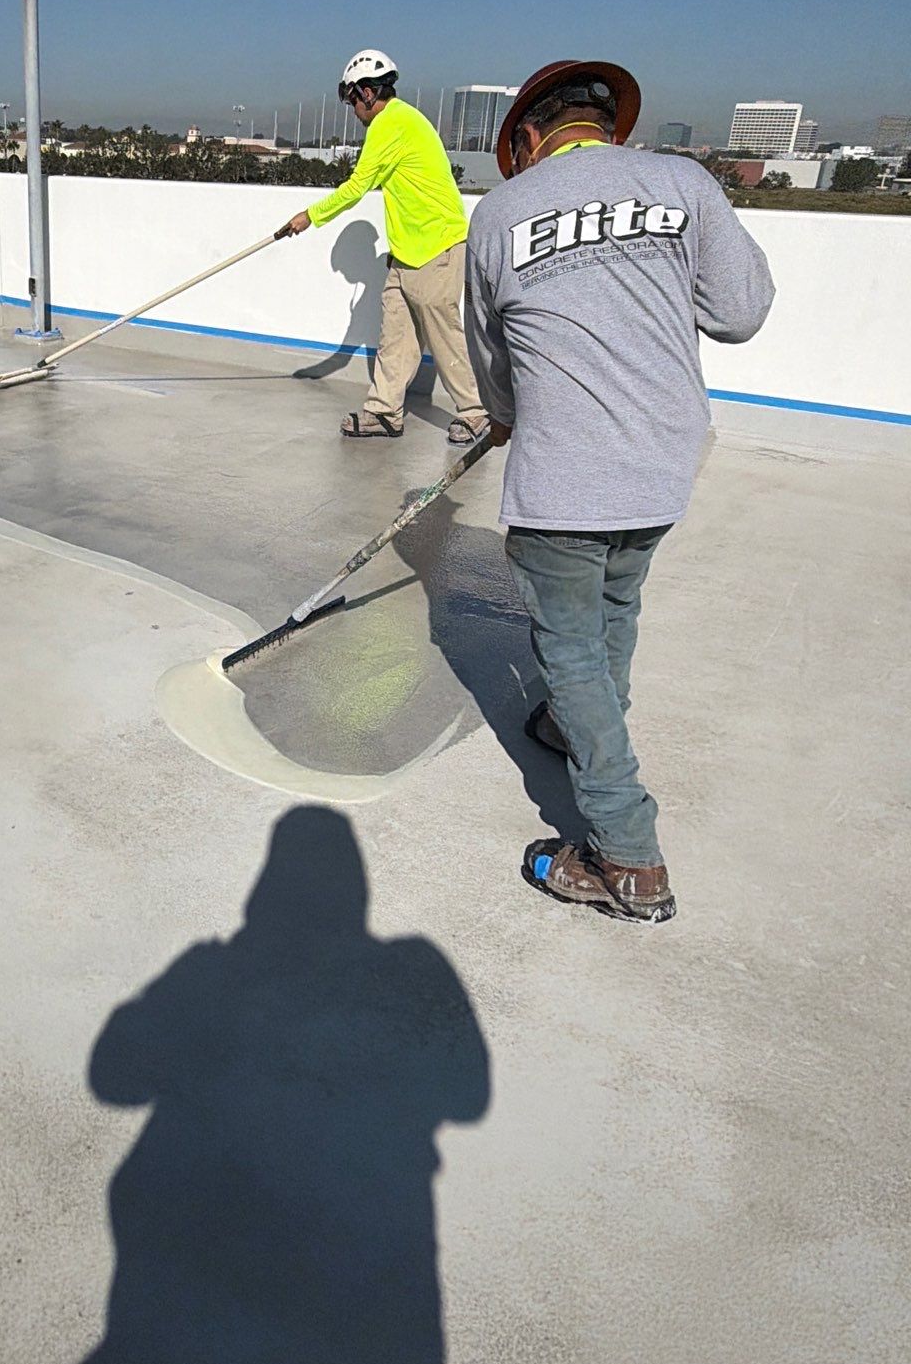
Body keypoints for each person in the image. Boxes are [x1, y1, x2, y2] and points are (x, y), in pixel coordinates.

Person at [464, 59, 775, 925]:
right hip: (665, 467)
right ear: (607, 128)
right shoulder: (684, 182)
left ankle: (625, 854)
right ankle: (573, 725)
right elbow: (741, 312)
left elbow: (491, 363)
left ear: (527, 137)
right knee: (616, 603)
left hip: (564, 476)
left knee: (569, 648)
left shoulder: (497, 215)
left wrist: (501, 415)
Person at [278, 50, 488, 445]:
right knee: (395, 334)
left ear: (368, 93)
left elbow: (358, 186)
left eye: (351, 99)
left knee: (442, 332)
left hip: (437, 246)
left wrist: (309, 216)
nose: (352, 109)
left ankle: (475, 412)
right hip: (408, 253)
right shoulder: (399, 121)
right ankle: (385, 412)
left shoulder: (391, 123)